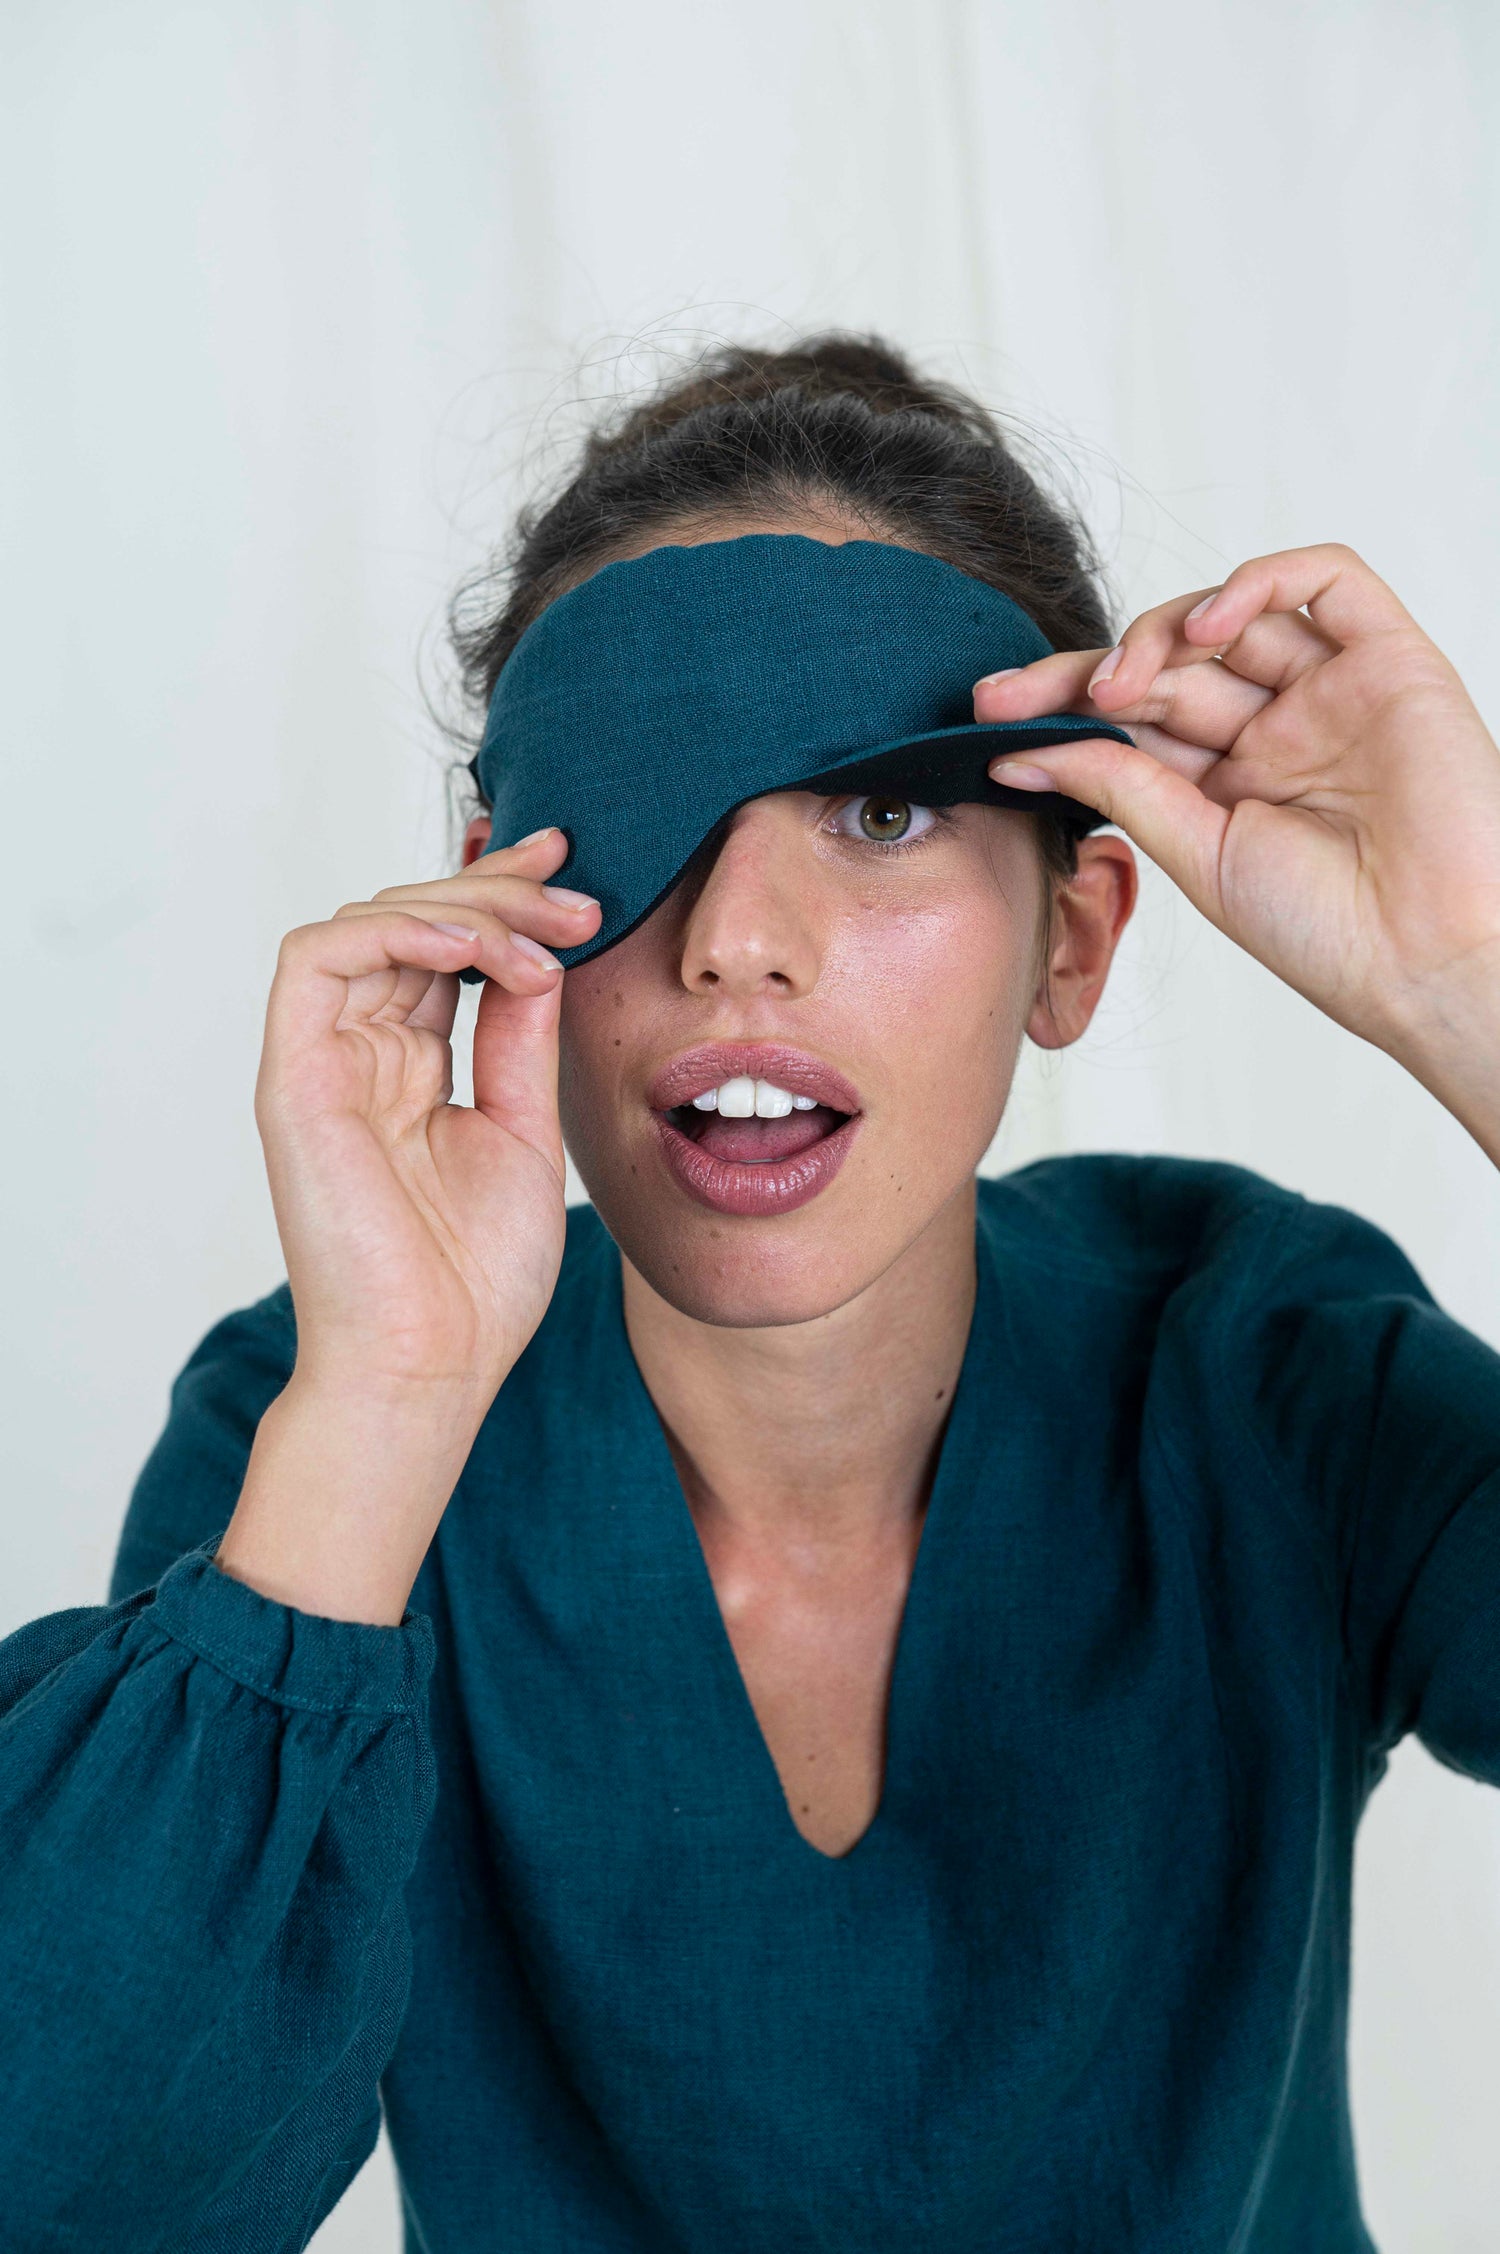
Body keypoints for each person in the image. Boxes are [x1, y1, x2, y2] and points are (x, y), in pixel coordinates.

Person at [3, 335, 1498, 2253]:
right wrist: (384, 1402)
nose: (736, 946)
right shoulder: (318, 1445)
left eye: (878, 816)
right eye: (643, 817)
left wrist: (1470, 981)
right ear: (495, 923)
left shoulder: (1265, 1372)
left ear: (1077, 936)